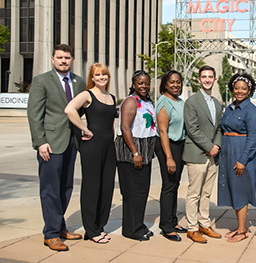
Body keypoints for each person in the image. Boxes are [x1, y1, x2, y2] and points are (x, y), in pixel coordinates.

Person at [28, 44, 86, 251]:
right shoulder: (42, 81)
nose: (63, 61)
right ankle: (50, 234)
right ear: (53, 59)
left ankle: (60, 226)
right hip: (50, 144)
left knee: (66, 187)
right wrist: (40, 142)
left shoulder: (79, 82)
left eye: (67, 57)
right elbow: (34, 114)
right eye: (60, 57)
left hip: (72, 142)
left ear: (72, 59)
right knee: (50, 189)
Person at [65, 63, 117, 244]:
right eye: (97, 75)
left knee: (107, 186)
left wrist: (114, 136)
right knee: (92, 187)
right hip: (92, 146)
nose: (101, 77)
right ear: (92, 78)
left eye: (104, 74)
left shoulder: (112, 97)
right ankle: (91, 229)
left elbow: (111, 123)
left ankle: (99, 226)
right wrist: (83, 129)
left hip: (109, 147)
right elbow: (69, 110)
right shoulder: (87, 94)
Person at [218, 73, 256, 243]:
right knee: (233, 188)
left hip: (243, 152)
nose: (240, 91)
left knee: (241, 190)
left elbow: (253, 139)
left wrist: (243, 160)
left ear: (250, 90)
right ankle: (239, 225)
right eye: (237, 88)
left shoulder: (253, 112)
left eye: (244, 88)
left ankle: (243, 230)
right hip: (229, 150)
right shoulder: (229, 108)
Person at [115, 70, 156, 241]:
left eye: (146, 83)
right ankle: (131, 230)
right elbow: (125, 128)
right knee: (133, 192)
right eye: (140, 83)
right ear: (133, 84)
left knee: (141, 192)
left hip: (144, 151)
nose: (144, 86)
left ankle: (137, 225)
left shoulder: (146, 101)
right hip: (131, 152)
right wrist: (135, 152)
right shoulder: (131, 101)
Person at [183, 65, 223, 244]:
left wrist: (216, 146)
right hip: (197, 154)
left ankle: (204, 223)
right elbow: (192, 128)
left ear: (215, 79)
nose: (207, 79)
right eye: (204, 76)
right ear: (199, 79)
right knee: (194, 193)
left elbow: (219, 128)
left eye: (210, 76)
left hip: (212, 155)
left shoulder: (216, 103)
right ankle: (192, 228)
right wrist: (208, 146)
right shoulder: (192, 101)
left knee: (206, 193)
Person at [155, 70, 187, 242]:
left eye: (178, 82)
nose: (176, 85)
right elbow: (162, 131)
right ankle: (166, 226)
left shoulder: (180, 101)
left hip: (179, 145)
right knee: (168, 185)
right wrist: (169, 157)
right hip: (168, 146)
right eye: (172, 82)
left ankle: (173, 221)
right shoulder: (164, 101)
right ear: (165, 84)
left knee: (175, 184)